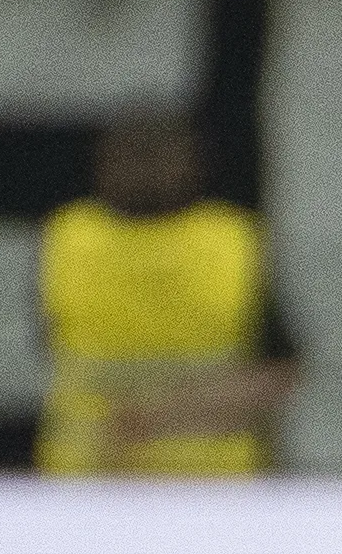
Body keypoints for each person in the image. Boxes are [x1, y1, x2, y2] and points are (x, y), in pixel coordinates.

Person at [37, 109, 301, 475]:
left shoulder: (233, 240)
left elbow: (280, 372)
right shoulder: (69, 236)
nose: (145, 167)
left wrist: (163, 418)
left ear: (195, 162)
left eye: (158, 155)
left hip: (209, 485)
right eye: (132, 154)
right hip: (87, 477)